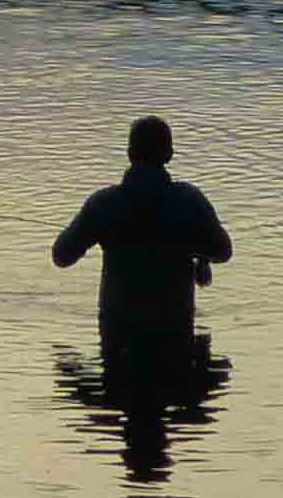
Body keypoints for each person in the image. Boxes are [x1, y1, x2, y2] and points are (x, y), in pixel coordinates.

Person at [51, 114, 233, 391]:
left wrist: (96, 228)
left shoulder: (104, 203)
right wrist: (199, 254)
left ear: (129, 154)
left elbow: (61, 256)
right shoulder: (189, 201)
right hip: (174, 323)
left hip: (117, 324)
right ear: (170, 154)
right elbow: (224, 251)